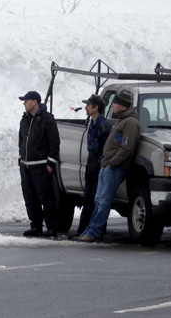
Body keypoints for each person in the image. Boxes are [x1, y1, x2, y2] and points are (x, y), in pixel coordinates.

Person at [74, 91, 141, 242]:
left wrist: (112, 163)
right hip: (106, 166)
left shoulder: (130, 122)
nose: (113, 105)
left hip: (115, 168)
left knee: (104, 201)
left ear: (121, 105)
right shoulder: (121, 120)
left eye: (115, 103)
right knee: (98, 200)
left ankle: (95, 232)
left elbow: (126, 148)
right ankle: (90, 229)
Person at [18, 91, 61, 238]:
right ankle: (36, 226)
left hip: (41, 166)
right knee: (30, 198)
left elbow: (54, 142)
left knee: (46, 198)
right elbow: (21, 140)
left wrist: (50, 162)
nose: (24, 103)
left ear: (34, 102)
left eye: (26, 100)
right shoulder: (24, 119)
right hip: (26, 166)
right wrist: (21, 158)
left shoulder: (47, 119)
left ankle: (52, 227)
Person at [70, 94, 108, 237]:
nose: (85, 107)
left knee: (96, 199)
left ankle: (96, 231)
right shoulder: (92, 123)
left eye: (88, 105)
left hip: (98, 163)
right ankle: (83, 229)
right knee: (87, 199)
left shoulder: (103, 125)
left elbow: (105, 148)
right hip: (91, 163)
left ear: (95, 108)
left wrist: (100, 164)